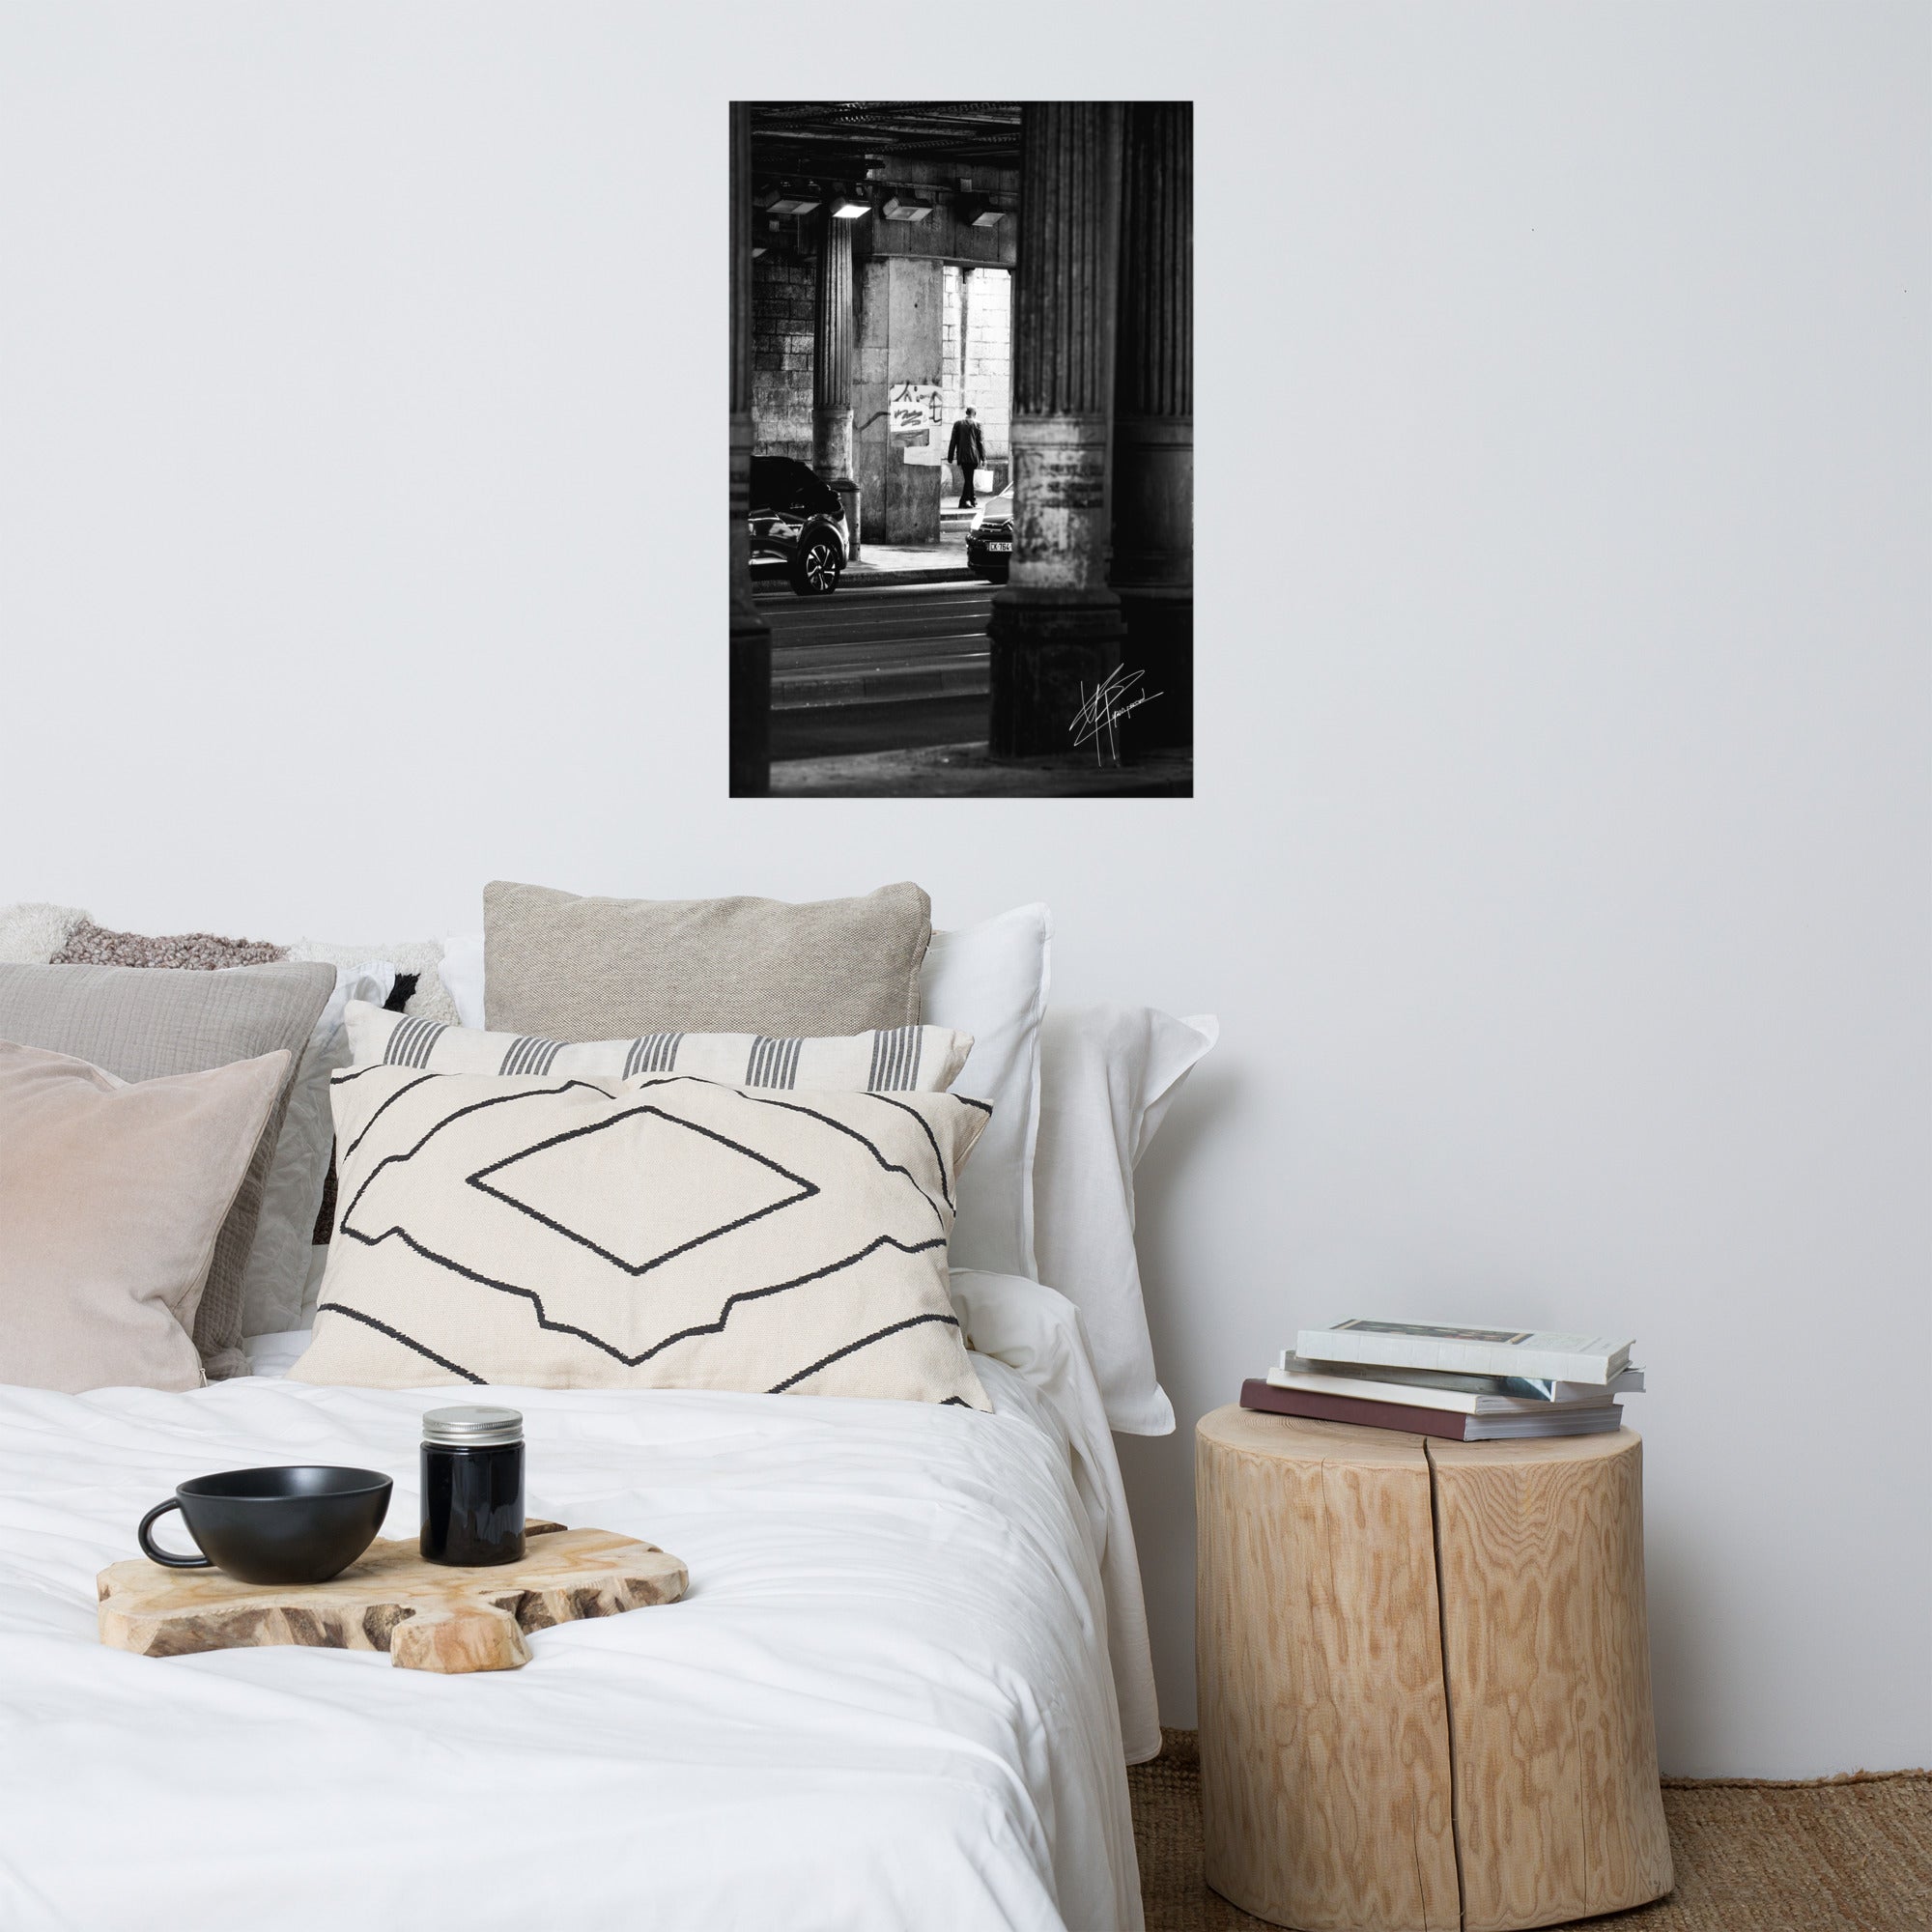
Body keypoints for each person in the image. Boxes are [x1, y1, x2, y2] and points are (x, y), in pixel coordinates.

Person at [946, 407, 985, 509]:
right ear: (975, 413)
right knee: (969, 478)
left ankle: (972, 499)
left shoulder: (957, 424)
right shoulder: (978, 424)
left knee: (969, 477)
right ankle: (964, 500)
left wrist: (950, 456)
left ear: (966, 413)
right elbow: (980, 443)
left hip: (962, 456)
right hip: (973, 456)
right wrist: (983, 458)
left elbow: (953, 441)